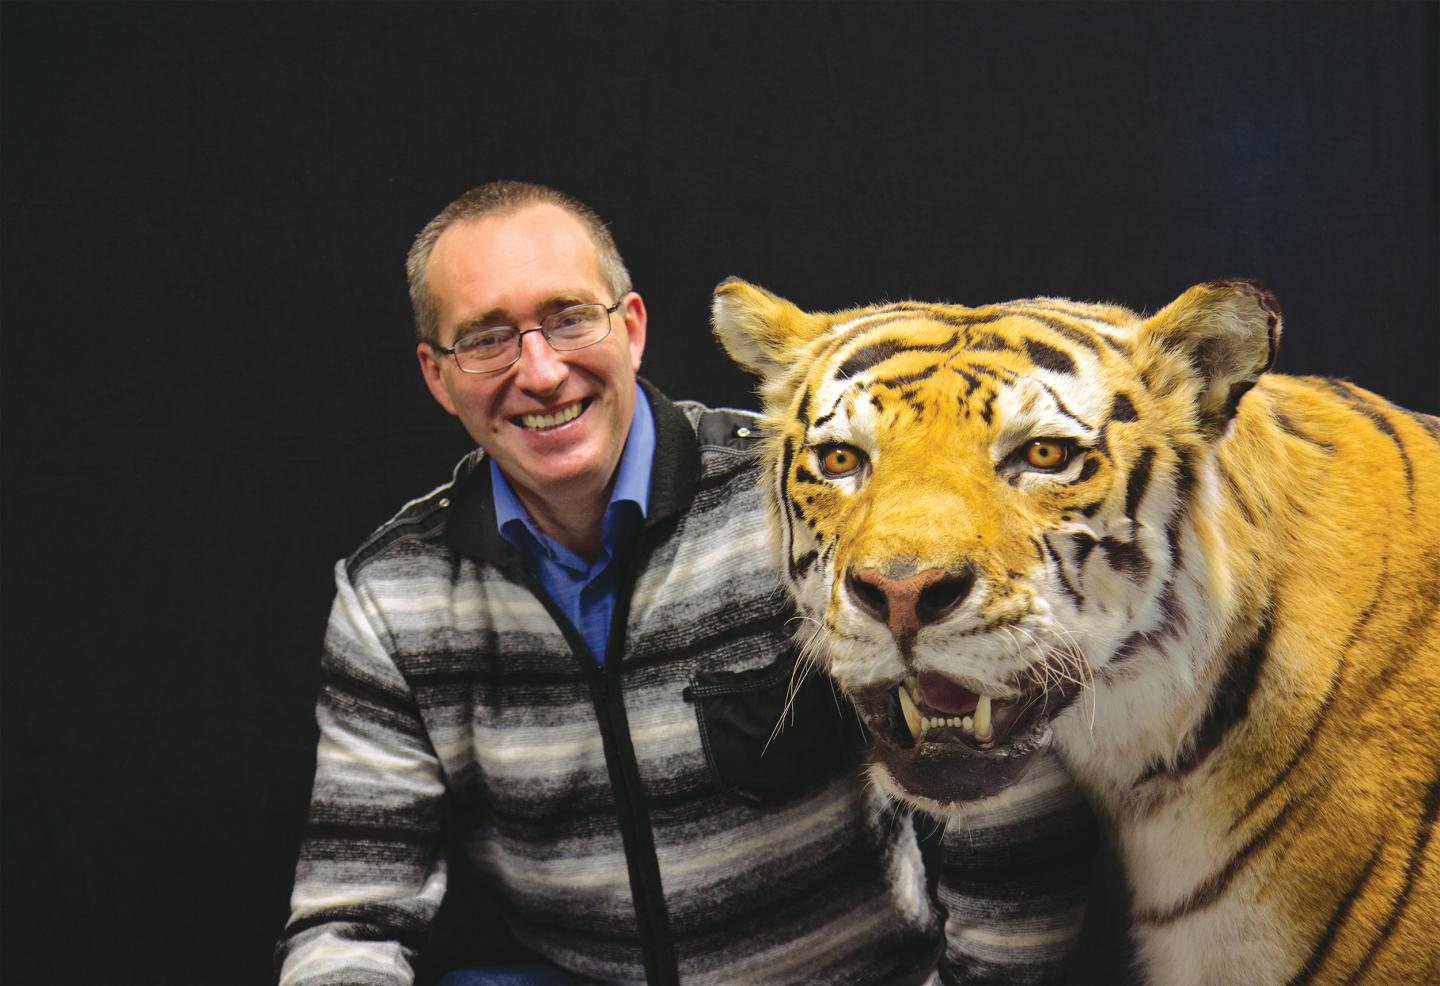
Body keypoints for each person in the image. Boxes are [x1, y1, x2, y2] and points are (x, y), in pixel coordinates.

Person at [276, 181, 1098, 985]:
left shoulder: (804, 501)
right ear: (437, 375)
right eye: (487, 339)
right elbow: (350, 920)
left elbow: (1009, 794)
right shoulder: (392, 596)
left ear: (631, 329)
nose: (542, 371)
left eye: (570, 319)